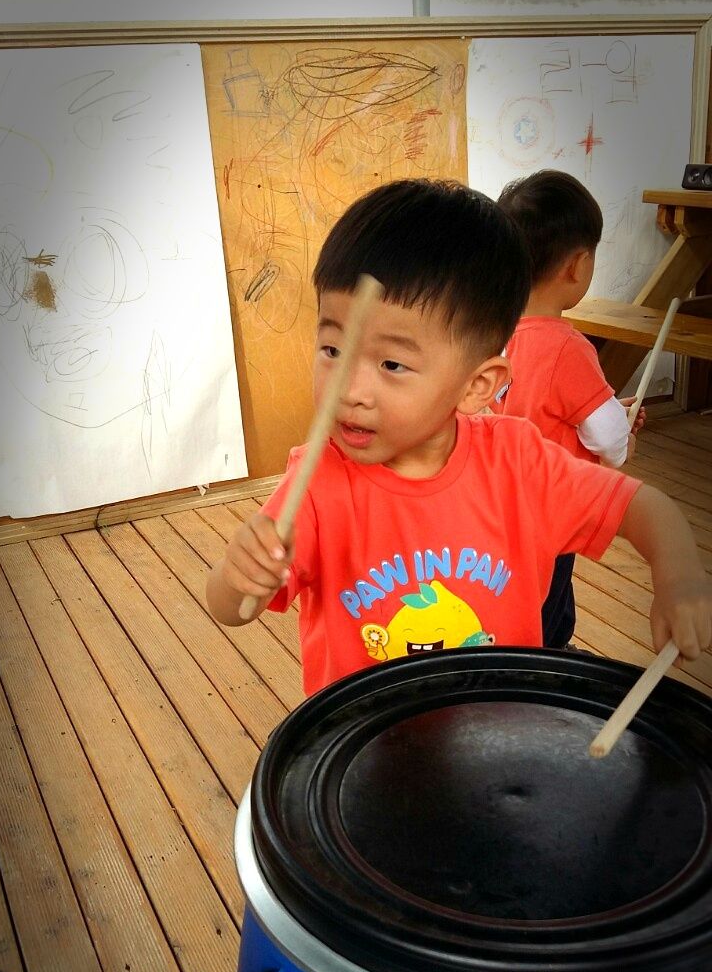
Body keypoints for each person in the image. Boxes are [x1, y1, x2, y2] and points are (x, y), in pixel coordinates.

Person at [206, 178, 711, 696]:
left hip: (501, 726)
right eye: (333, 350)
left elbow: (642, 506)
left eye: (392, 364)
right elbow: (232, 608)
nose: (350, 391)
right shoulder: (316, 485)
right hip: (368, 734)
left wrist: (679, 574)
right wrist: (237, 576)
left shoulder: (519, 463)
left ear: (477, 386)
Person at [495, 169, 645, 648]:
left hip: (499, 502)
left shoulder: (495, 334)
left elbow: (541, 405)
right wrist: (623, 440)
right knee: (551, 600)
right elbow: (606, 436)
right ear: (578, 266)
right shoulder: (568, 346)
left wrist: (606, 410)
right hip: (553, 507)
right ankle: (546, 658)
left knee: (510, 588)